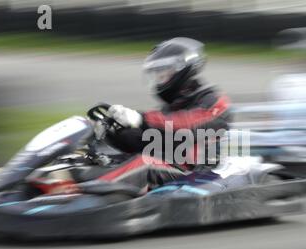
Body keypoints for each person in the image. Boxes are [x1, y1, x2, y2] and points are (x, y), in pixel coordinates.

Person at [94, 37, 231, 188]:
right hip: (171, 166)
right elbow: (146, 141)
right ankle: (80, 188)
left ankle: (86, 194)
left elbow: (189, 125)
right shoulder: (172, 108)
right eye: (157, 72)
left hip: (199, 174)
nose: (159, 77)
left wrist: (141, 118)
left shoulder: (214, 100)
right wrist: (114, 133)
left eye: (163, 70)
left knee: (145, 164)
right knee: (116, 161)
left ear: (181, 68)